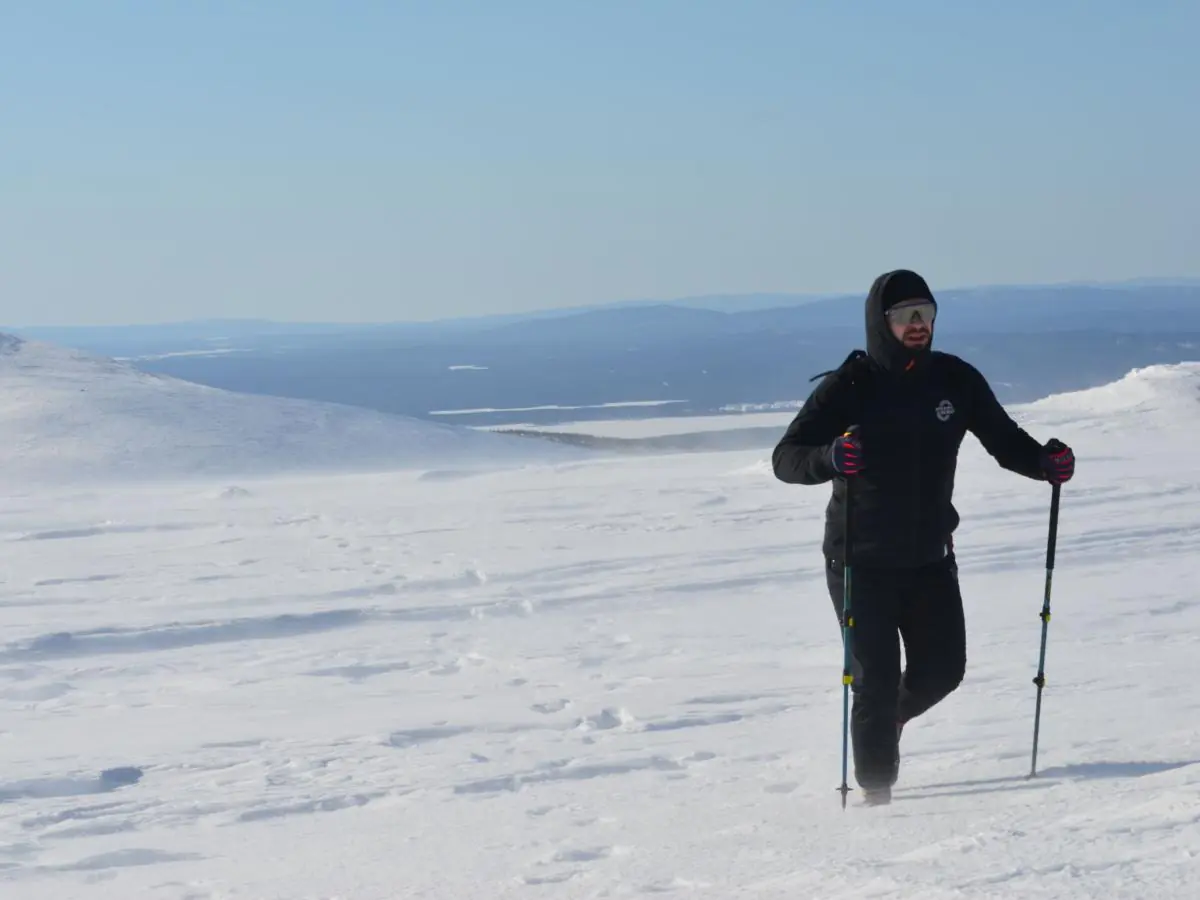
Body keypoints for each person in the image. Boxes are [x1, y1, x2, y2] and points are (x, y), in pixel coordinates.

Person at [771, 269, 1075, 804]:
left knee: (942, 671)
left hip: (930, 556)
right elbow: (786, 459)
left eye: (926, 314)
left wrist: (1045, 464)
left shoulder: (954, 380)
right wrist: (829, 458)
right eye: (905, 315)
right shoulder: (849, 387)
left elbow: (1005, 441)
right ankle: (876, 800)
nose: (918, 325)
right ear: (880, 322)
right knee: (875, 679)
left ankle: (890, 723)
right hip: (859, 561)